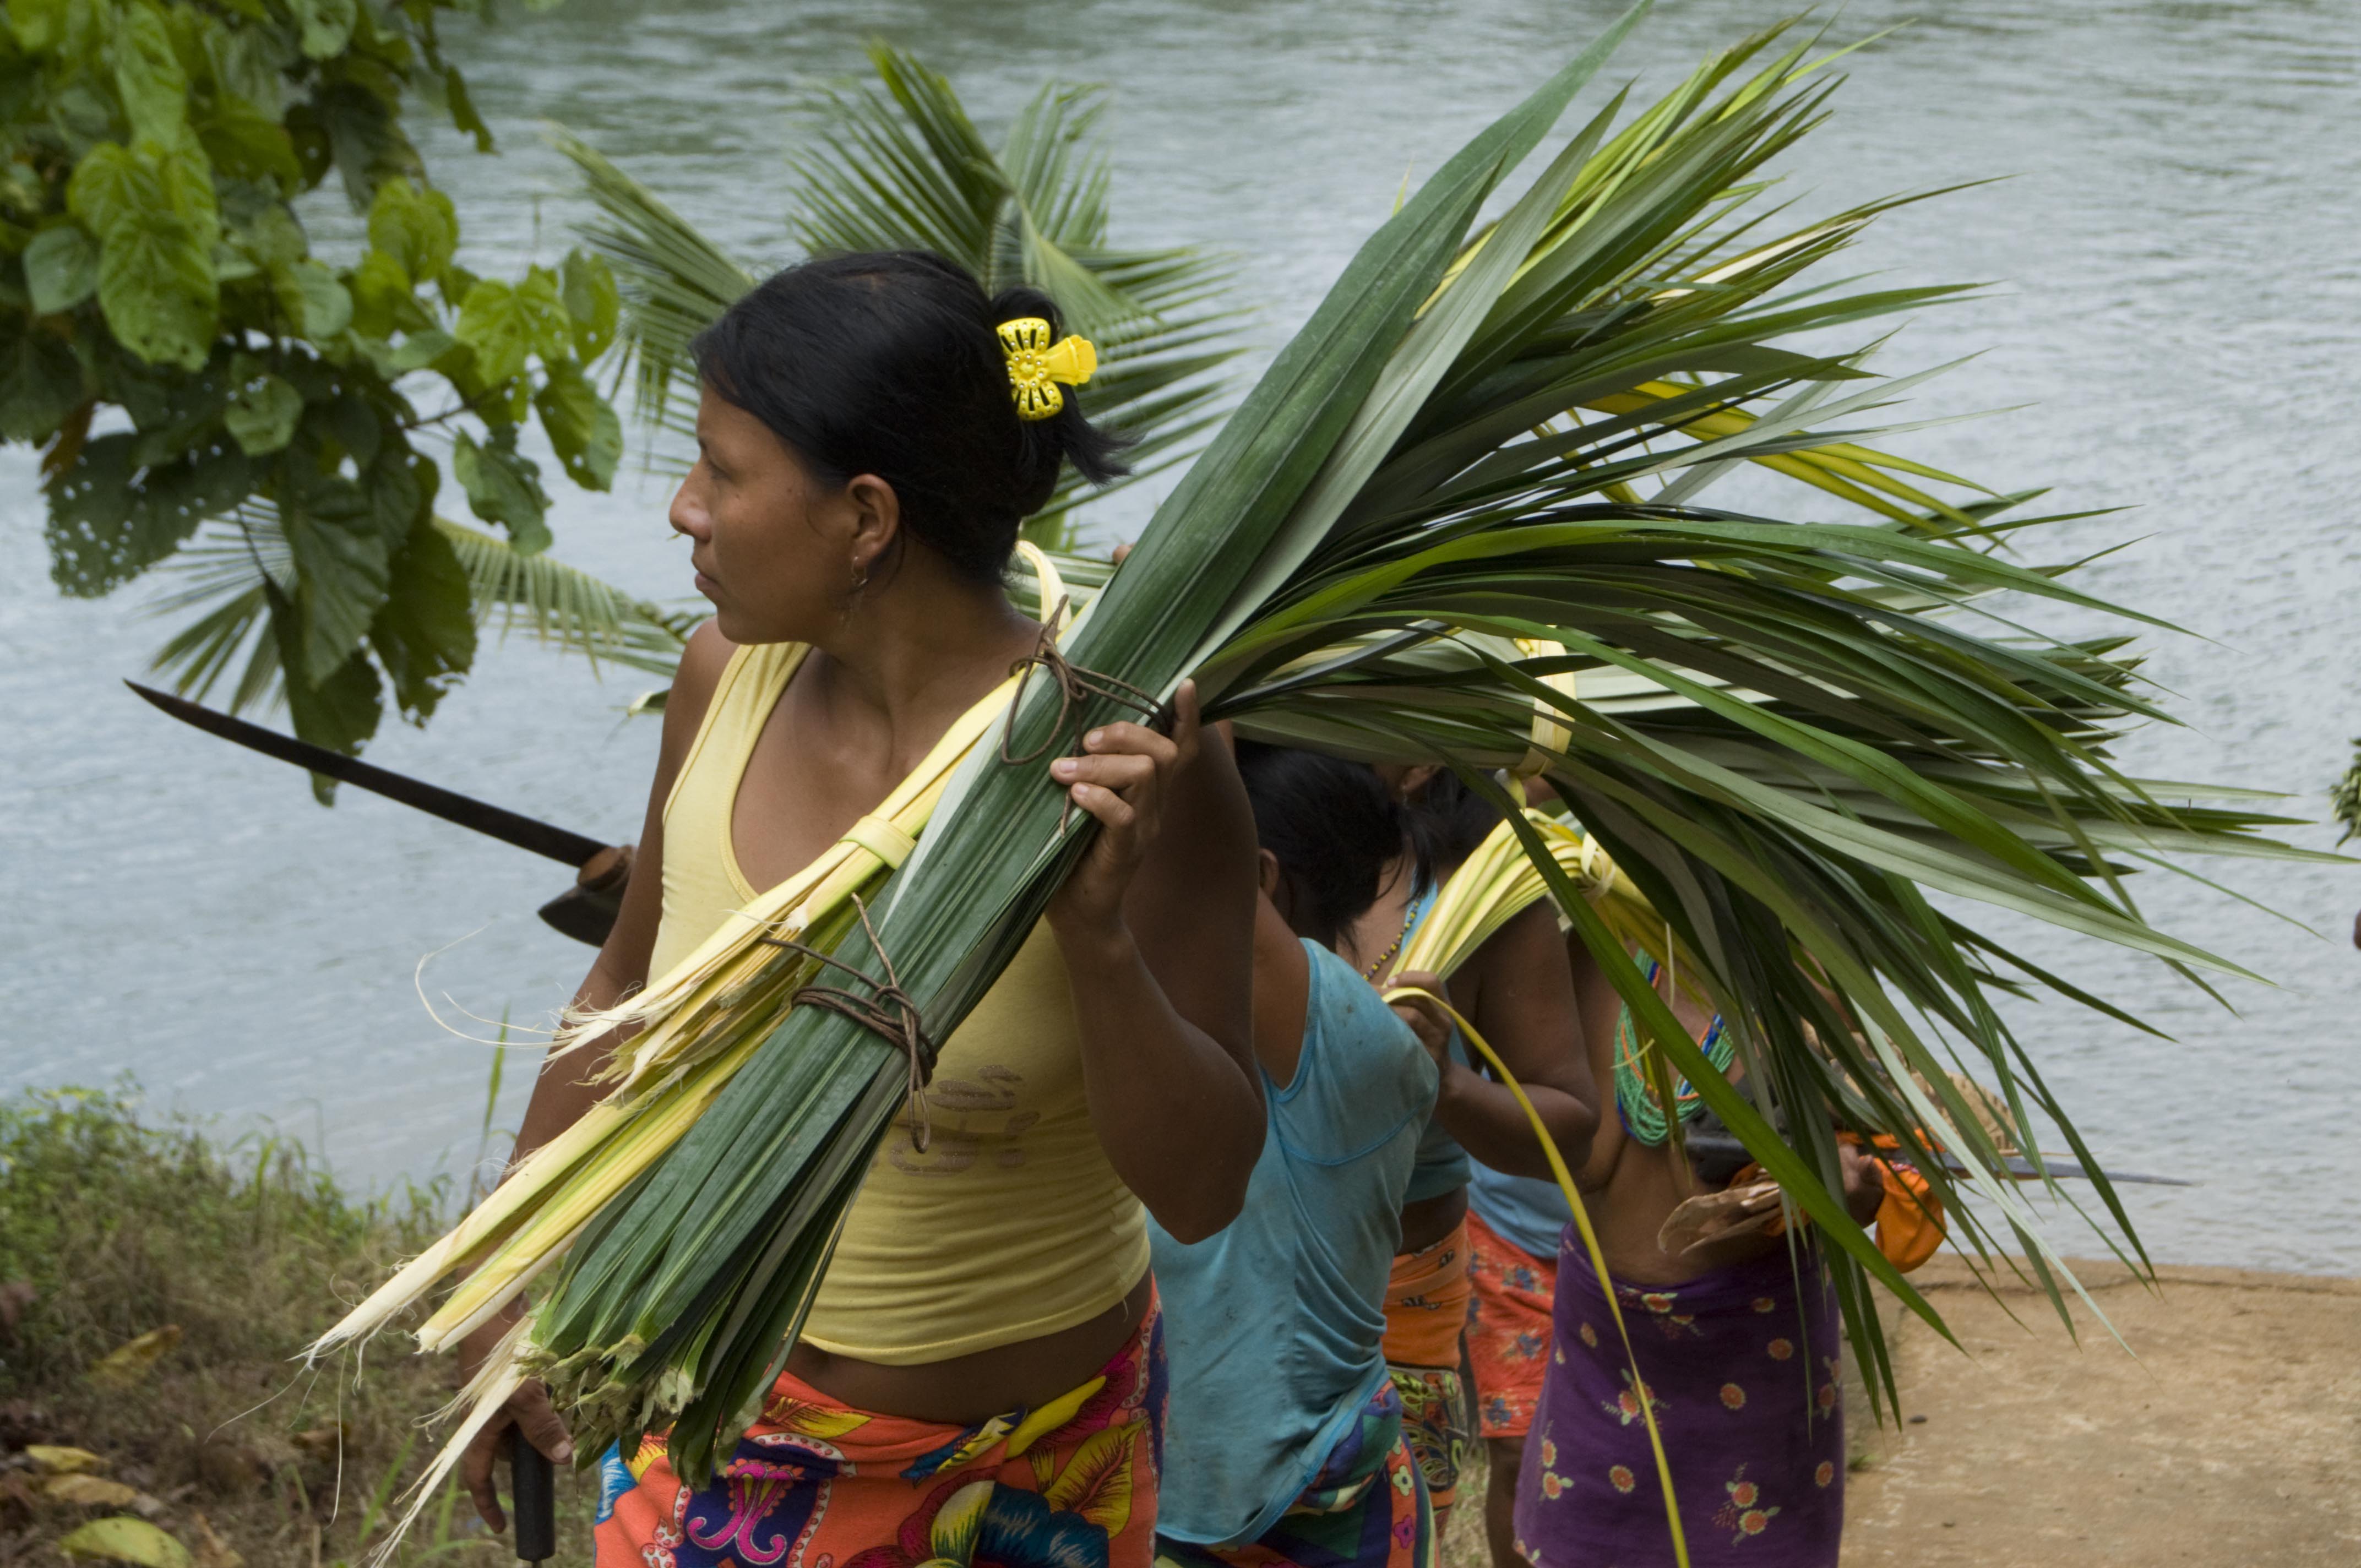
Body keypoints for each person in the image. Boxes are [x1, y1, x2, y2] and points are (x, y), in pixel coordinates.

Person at [454, 252, 1269, 1568]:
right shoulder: (724, 677)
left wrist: (1096, 938)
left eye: (721, 469)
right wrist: (505, 1277)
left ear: (867, 516)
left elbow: (1205, 1184)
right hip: (700, 1436)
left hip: (1018, 1485)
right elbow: (620, 991)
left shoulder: (1124, 751)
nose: (683, 509)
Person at [1152, 742, 1447, 1568]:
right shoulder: (1170, 1035)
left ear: (1260, 881)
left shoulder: (1356, 1038)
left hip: (1306, 1503)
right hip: (1180, 1498)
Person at [1511, 946, 1886, 1568]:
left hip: (1757, 1349)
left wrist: (1854, 1185)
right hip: (1609, 1352)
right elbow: (1586, 1158)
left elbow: (1880, 1147)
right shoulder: (1589, 943)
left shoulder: (1809, 966)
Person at [1345, 770, 1598, 1532]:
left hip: (1410, 1287)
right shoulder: (1239, 841)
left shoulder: (1486, 888)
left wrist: (1447, 1084)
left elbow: (1569, 1119)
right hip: (1221, 1290)